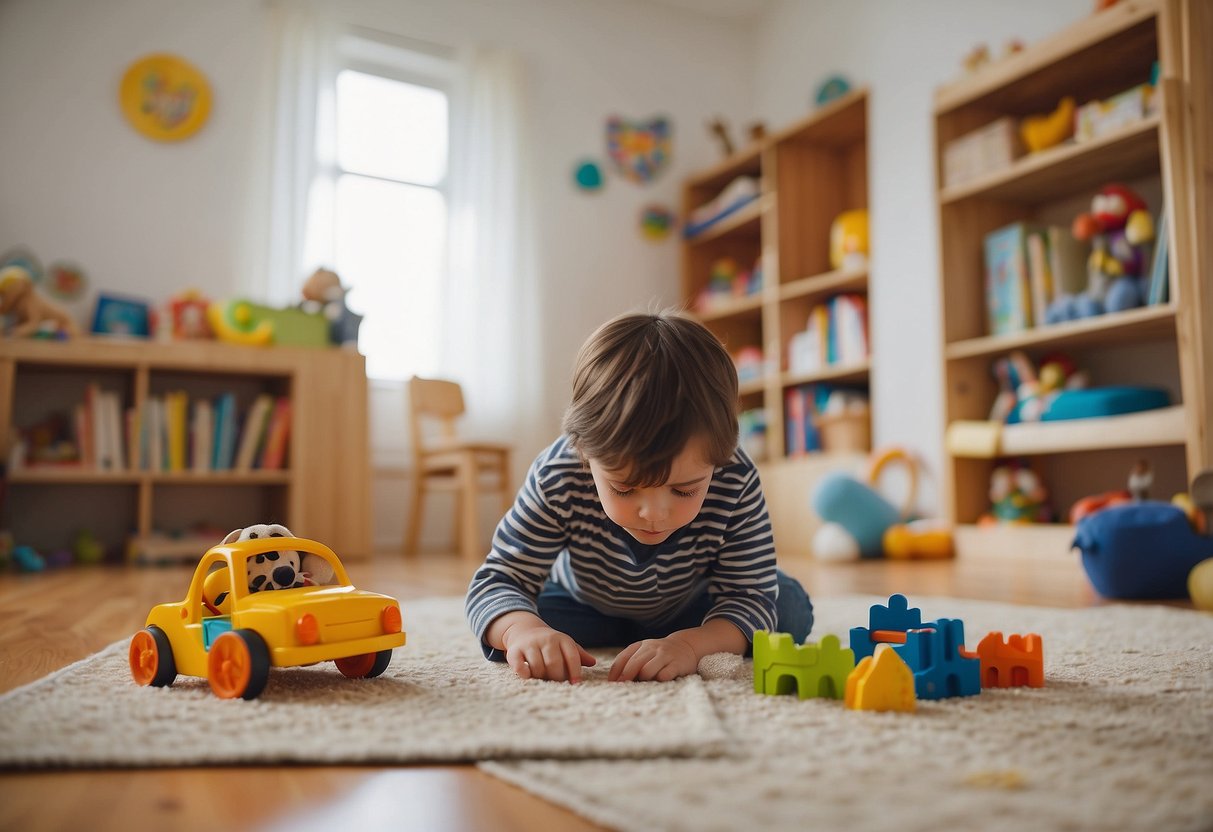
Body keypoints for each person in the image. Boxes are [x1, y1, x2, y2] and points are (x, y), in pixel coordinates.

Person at [465, 310, 814, 684]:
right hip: (579, 606)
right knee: (516, 615)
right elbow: (499, 579)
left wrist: (691, 646)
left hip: (690, 609)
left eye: (684, 490)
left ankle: (667, 640)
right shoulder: (558, 473)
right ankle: (602, 634)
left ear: (721, 454)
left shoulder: (736, 475)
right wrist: (524, 631)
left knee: (787, 606)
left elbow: (750, 597)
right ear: (585, 451)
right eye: (624, 488)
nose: (653, 513)